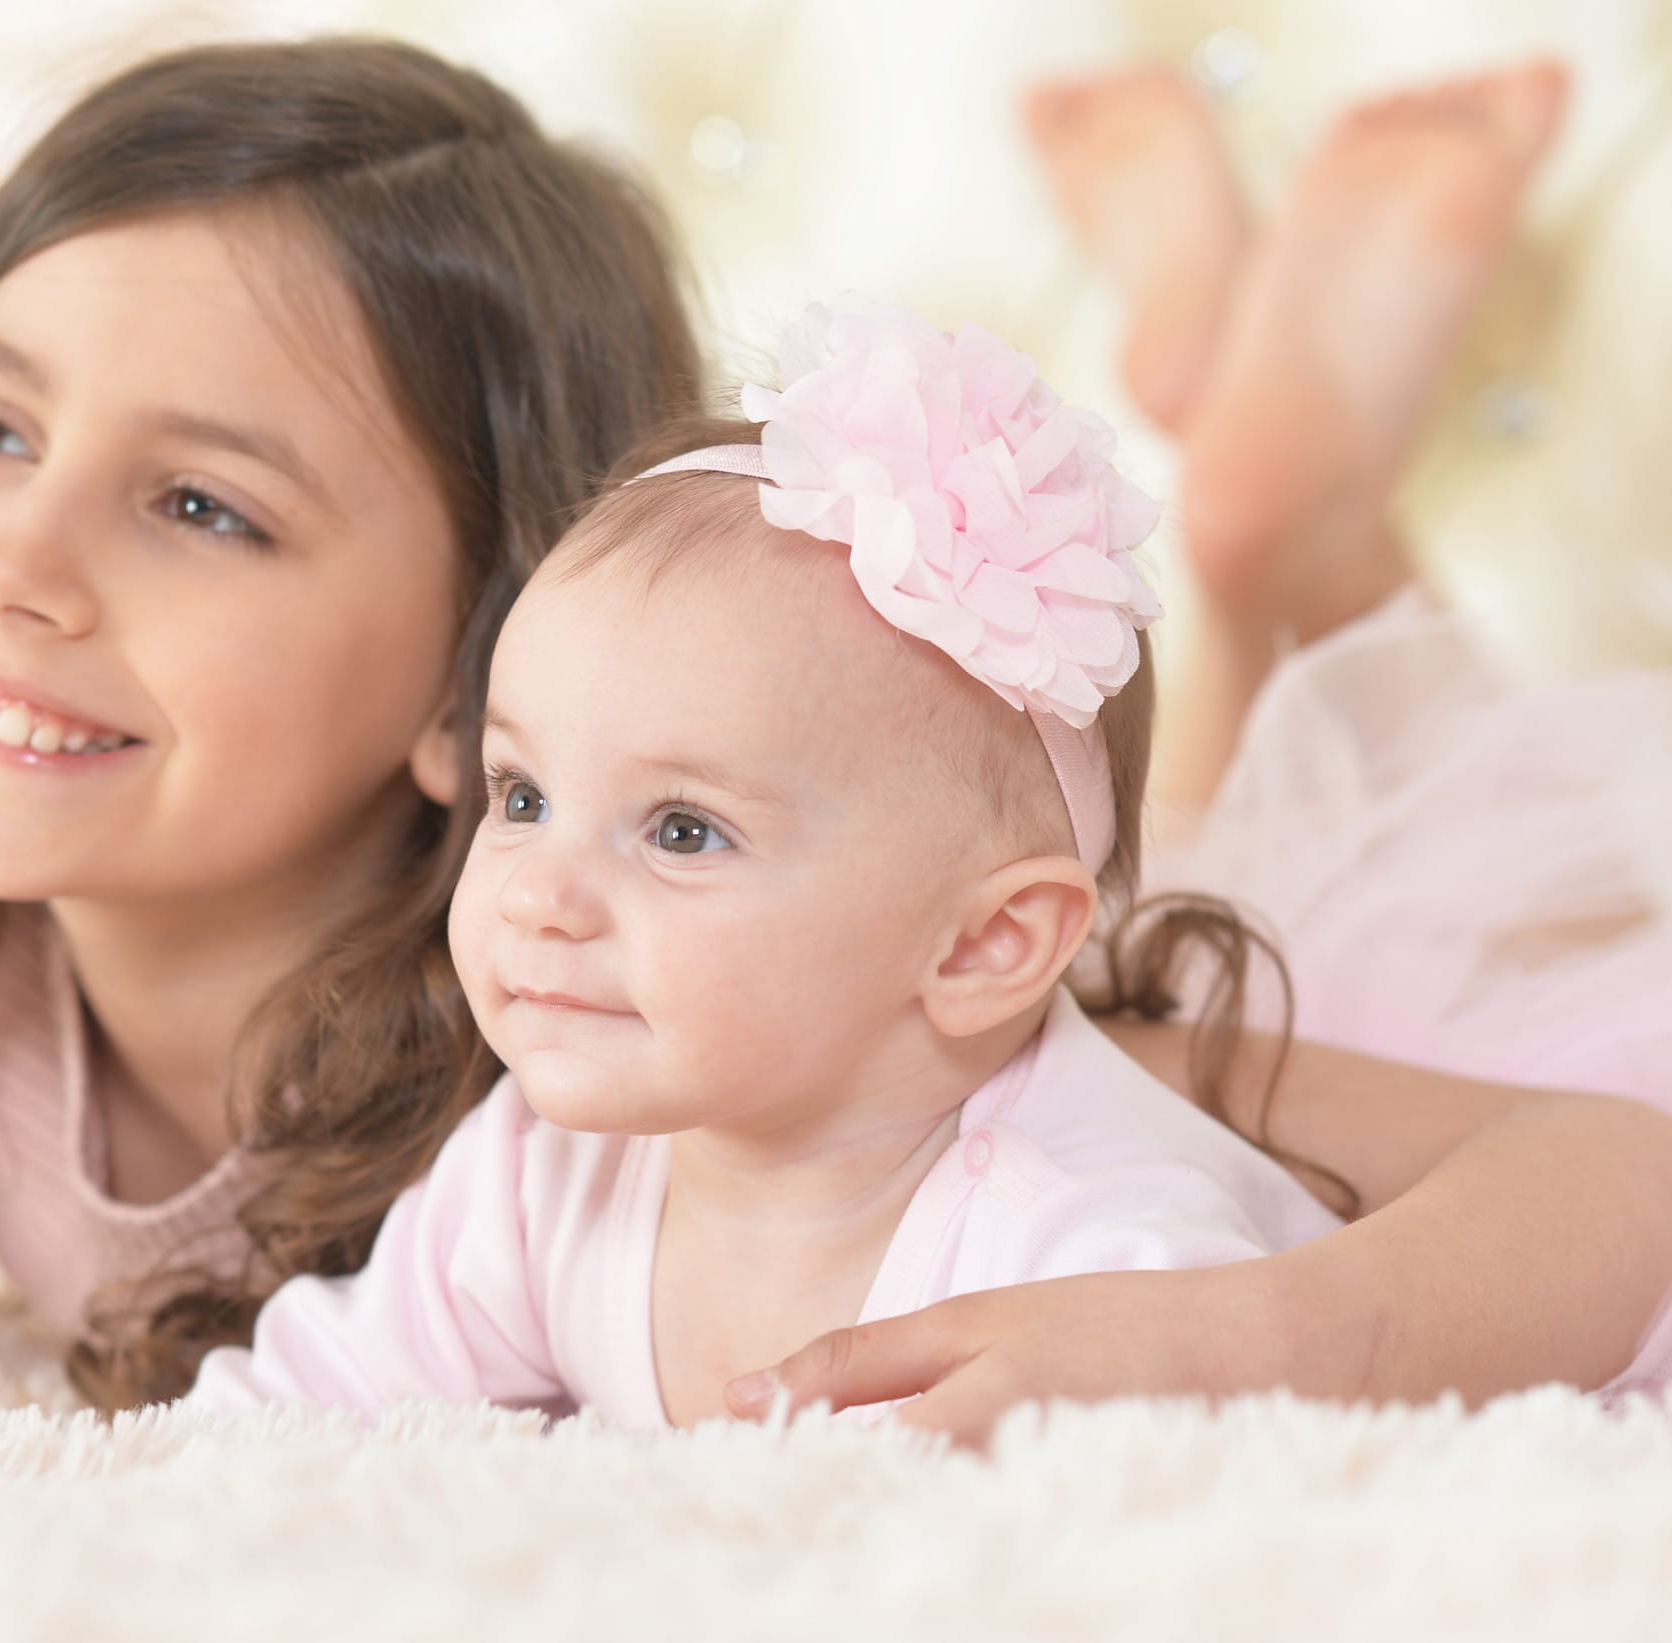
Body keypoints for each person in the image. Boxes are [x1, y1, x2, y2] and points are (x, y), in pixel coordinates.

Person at [0, 41, 1672, 1462]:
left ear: (475, 669)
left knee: (1229, 850)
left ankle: (1272, 513)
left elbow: (1603, 1169)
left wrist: (1241, 1331)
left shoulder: (760, 975)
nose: (19, 562)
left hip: (1017, 911)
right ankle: (1243, 468)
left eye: (200, 502)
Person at [193, 304, 1374, 1424]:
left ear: (982, 946)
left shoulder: (1093, 1254)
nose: (537, 896)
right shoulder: (540, 1168)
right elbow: (302, 1409)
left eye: (682, 831)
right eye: (523, 796)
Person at [743, 59, 1672, 1434]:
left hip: (1468, 1158)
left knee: (1161, 979)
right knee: (1178, 959)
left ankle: (1287, 540)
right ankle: (1289, 543)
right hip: (1338, 1069)